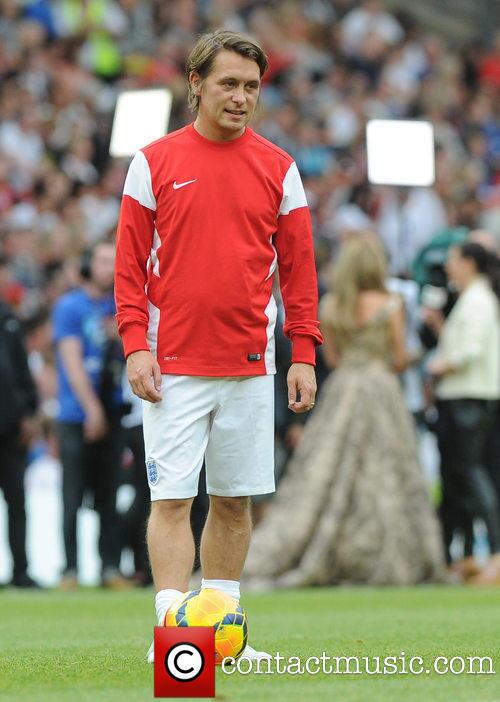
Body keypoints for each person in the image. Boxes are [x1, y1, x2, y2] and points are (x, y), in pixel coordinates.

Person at [114, 29, 323, 662]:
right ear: (196, 84)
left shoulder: (281, 168)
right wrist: (135, 345)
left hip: (251, 364)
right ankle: (176, 638)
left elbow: (300, 272)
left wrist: (304, 353)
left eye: (251, 87)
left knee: (234, 501)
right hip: (170, 363)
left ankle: (224, 633)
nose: (240, 97)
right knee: (173, 501)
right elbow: (128, 268)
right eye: (228, 83)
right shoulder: (153, 162)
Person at [243, 233, 445, 587]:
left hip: (343, 389)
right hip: (381, 390)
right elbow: (398, 358)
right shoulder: (392, 303)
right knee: (388, 471)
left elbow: (332, 359)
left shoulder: (333, 305)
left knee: (325, 470)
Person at [53, 242, 129, 589]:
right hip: (75, 416)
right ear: (88, 265)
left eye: (113, 261)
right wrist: (91, 409)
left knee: (108, 496)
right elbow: (71, 361)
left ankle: (109, 568)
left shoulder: (121, 306)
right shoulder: (70, 306)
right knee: (72, 496)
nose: (108, 268)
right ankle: (69, 570)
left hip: (114, 411)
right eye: (101, 261)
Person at [429, 242, 500, 583]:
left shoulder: (477, 300)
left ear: (469, 263)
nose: (448, 266)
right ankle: (471, 554)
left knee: (473, 473)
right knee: (463, 476)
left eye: (453, 259)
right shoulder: (473, 297)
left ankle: (496, 551)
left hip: (468, 396)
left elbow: (470, 348)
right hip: (465, 396)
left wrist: (442, 365)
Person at [0, 257, 40, 588]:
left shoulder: (9, 320)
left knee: (17, 501)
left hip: (12, 429)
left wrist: (30, 414)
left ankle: (21, 570)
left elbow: (23, 374)